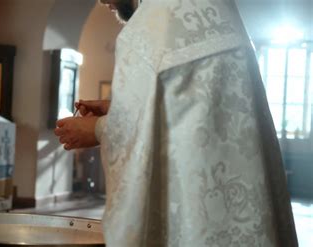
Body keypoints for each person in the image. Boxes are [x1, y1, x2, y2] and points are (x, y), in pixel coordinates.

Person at [54, 0, 298, 246]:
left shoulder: (151, 25)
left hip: (197, 213)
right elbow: (197, 109)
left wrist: (97, 129)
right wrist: (117, 110)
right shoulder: (214, 7)